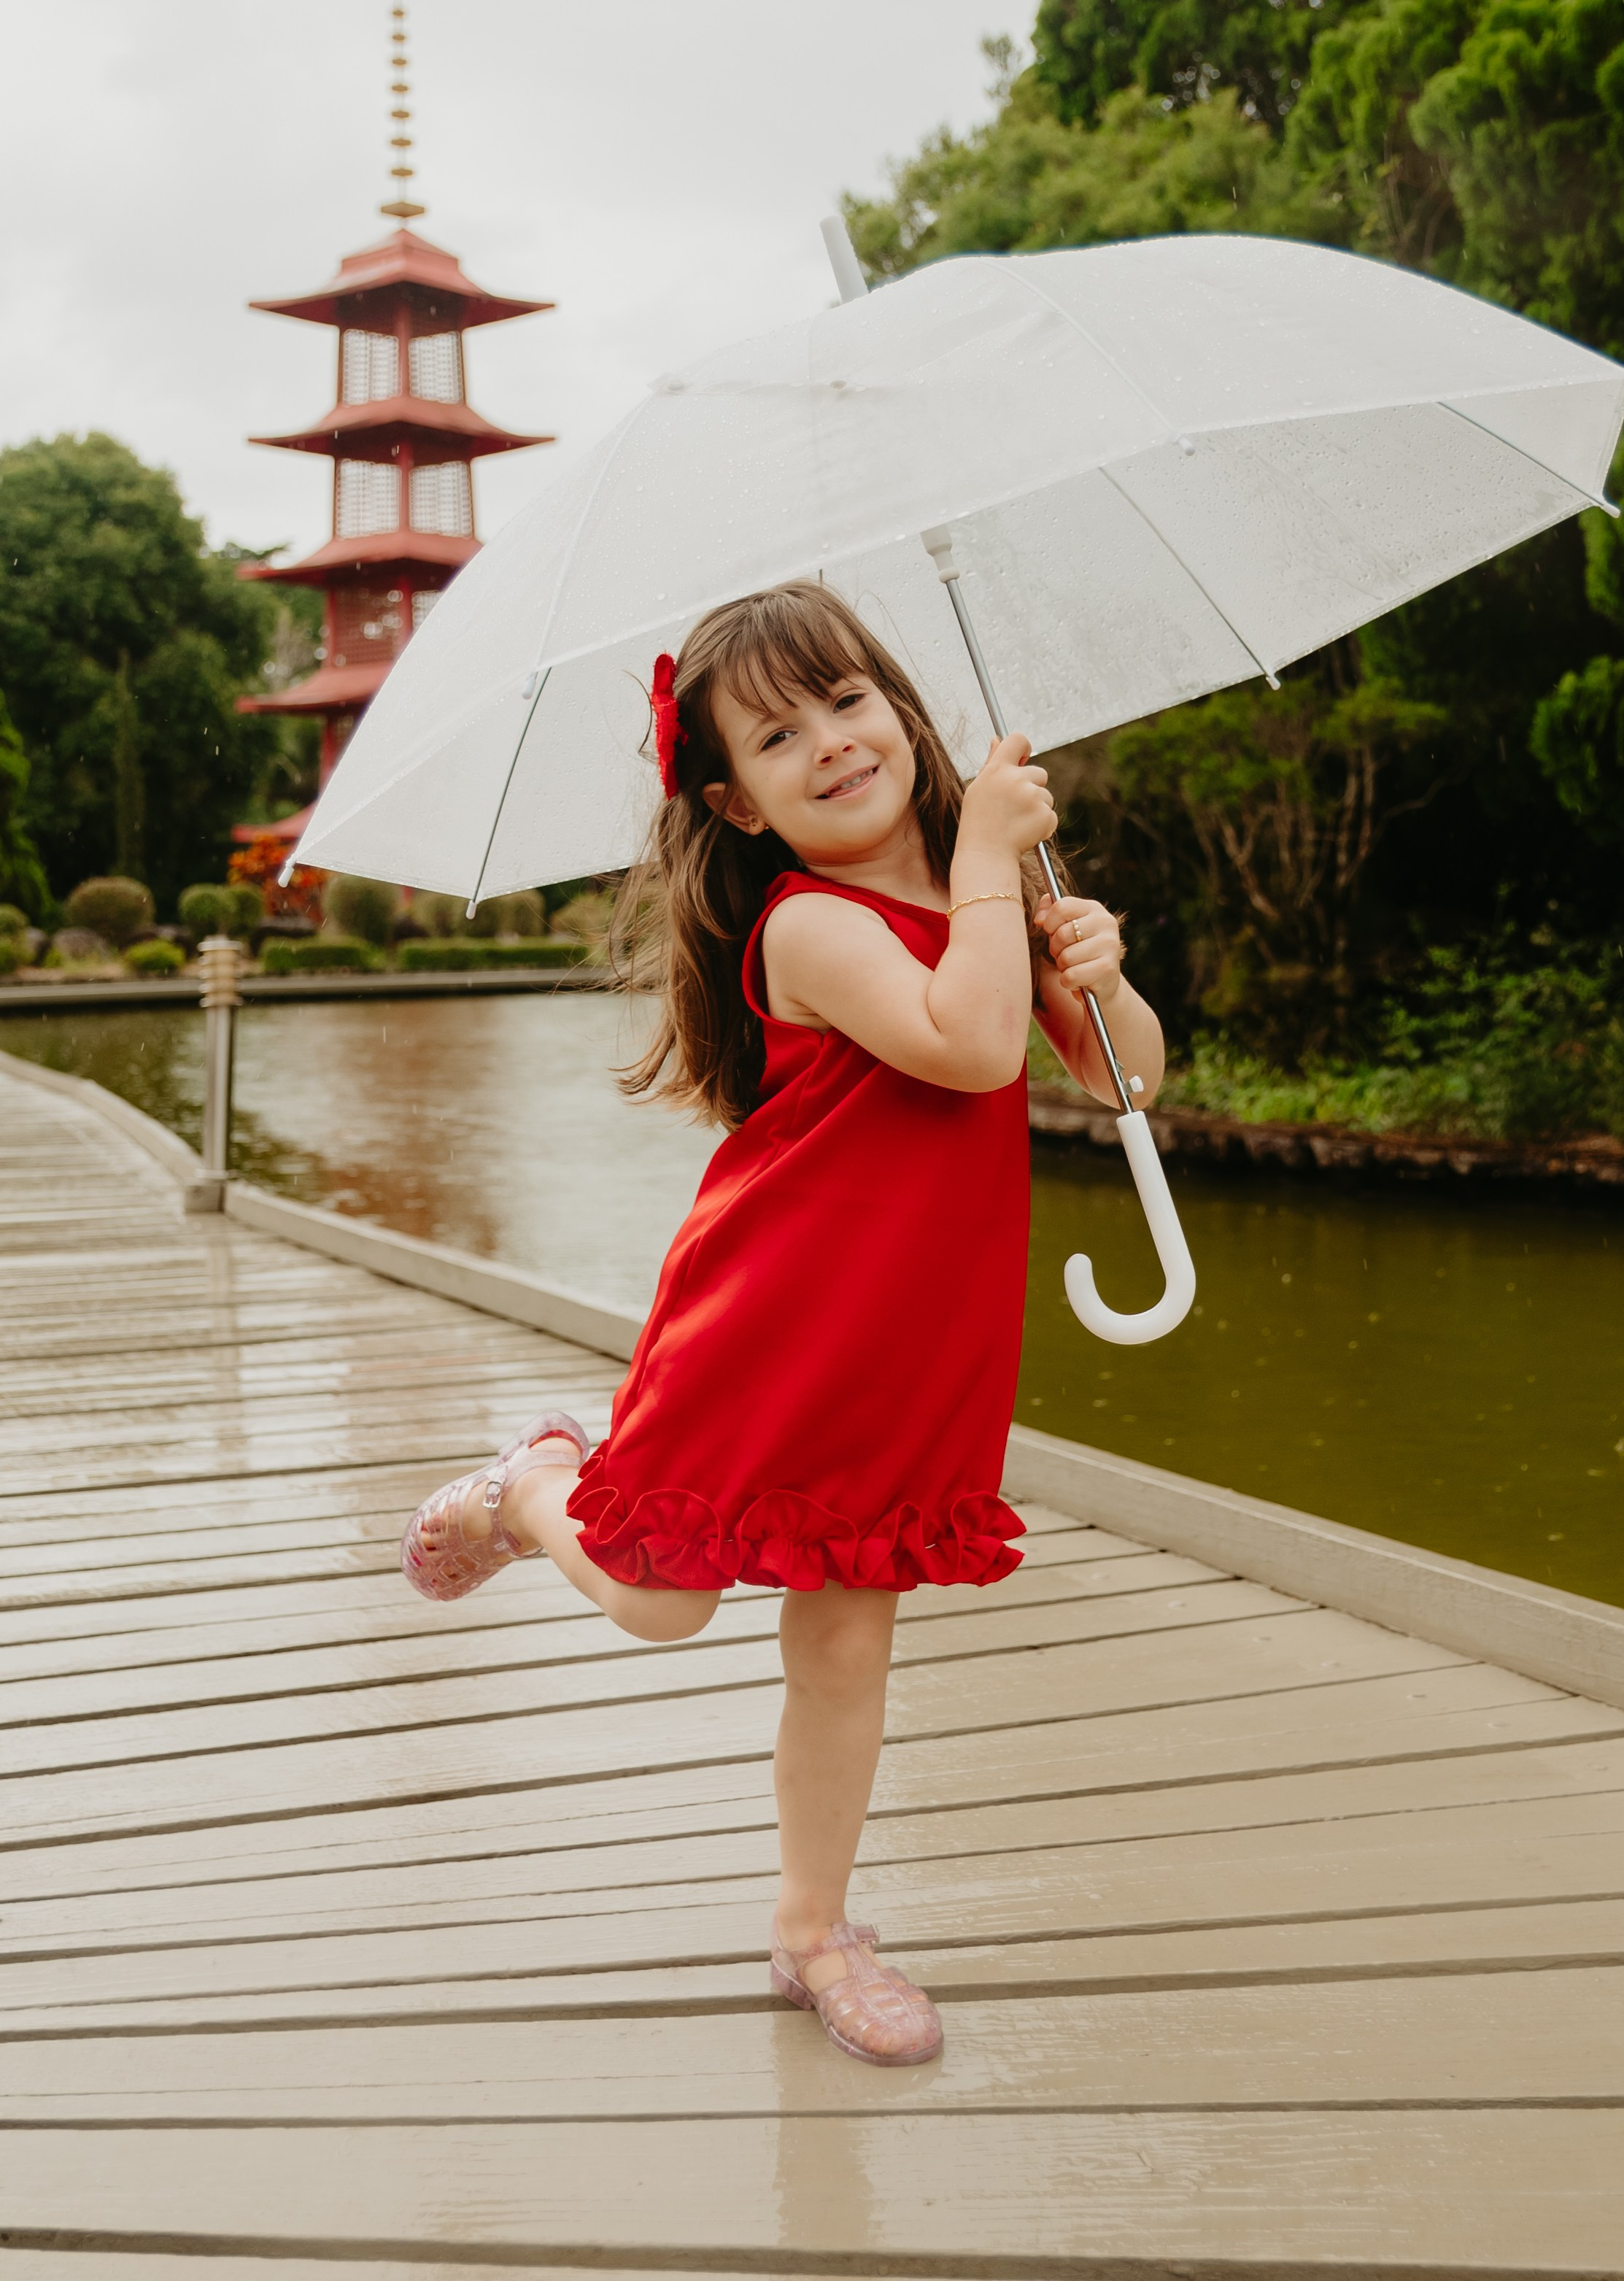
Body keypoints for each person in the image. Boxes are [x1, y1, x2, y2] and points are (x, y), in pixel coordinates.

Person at [401, 581, 1164, 2064]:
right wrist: (992, 865)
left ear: (899, 708)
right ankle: (533, 1484)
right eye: (775, 734)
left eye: (845, 699)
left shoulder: (985, 896)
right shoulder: (810, 924)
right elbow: (967, 1045)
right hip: (769, 1319)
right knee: (658, 1600)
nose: (828, 741)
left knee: (845, 1643)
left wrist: (1099, 970)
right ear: (736, 804)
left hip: (915, 1342)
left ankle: (813, 1930)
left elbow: (1119, 1078)